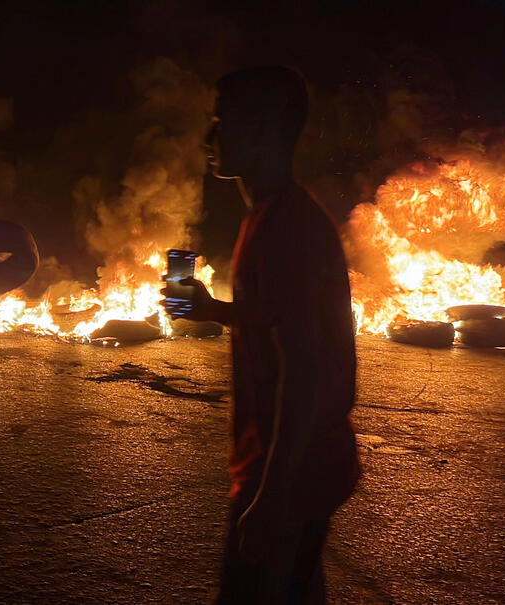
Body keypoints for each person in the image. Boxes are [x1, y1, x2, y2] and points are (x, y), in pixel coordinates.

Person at [163, 67, 360, 603]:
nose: (208, 140)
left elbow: (304, 368)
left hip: (290, 471)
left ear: (264, 131)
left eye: (220, 124)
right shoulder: (269, 219)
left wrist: (272, 498)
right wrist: (215, 310)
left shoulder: (286, 227)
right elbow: (279, 320)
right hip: (296, 467)